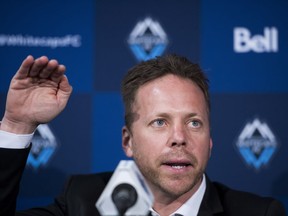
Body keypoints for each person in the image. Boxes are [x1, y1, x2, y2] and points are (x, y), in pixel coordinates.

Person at [0, 54, 286, 216]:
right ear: (128, 141)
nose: (179, 137)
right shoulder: (82, 201)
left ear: (210, 142)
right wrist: (17, 125)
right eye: (160, 122)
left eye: (195, 123)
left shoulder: (258, 214)